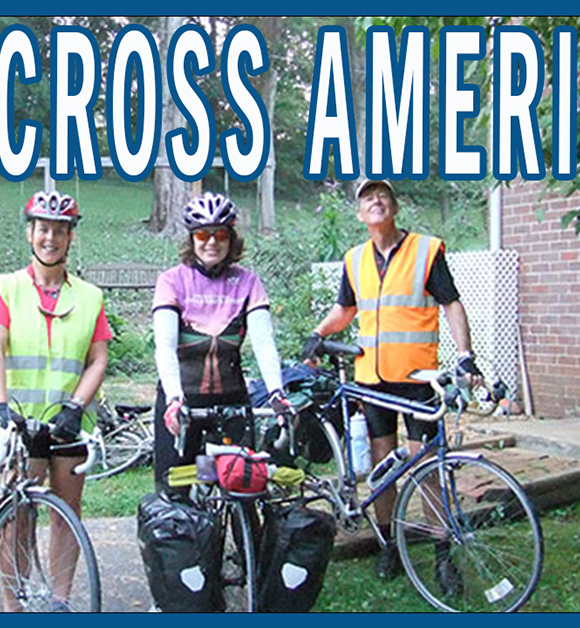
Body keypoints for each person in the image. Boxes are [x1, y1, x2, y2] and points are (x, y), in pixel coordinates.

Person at [301, 179, 482, 597]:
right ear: (360, 214)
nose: (376, 202)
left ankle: (441, 553)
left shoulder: (425, 250)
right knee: (383, 469)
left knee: (427, 468)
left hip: (419, 379)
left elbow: (451, 302)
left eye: (382, 196)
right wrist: (318, 332)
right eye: (367, 199)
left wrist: (466, 354)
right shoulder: (355, 258)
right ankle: (388, 545)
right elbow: (347, 308)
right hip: (373, 380)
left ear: (394, 207)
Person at [0, 190, 112, 612]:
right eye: (43, 229)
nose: (50, 237)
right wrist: (0, 408)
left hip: (68, 425)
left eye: (59, 230)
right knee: (17, 518)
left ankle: (59, 601)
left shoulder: (90, 296)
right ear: (30, 234)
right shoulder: (6, 288)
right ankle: (12, 606)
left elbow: (98, 359)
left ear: (70, 237)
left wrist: (76, 407)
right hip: (19, 424)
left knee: (66, 514)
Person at [151, 192, 294, 495]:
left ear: (231, 239)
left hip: (232, 399)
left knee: (244, 486)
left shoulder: (248, 282)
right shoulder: (172, 280)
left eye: (221, 234)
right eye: (203, 234)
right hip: (183, 398)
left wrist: (276, 392)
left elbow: (264, 343)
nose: (212, 242)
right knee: (175, 492)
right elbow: (165, 346)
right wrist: (175, 399)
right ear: (191, 239)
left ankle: (246, 540)